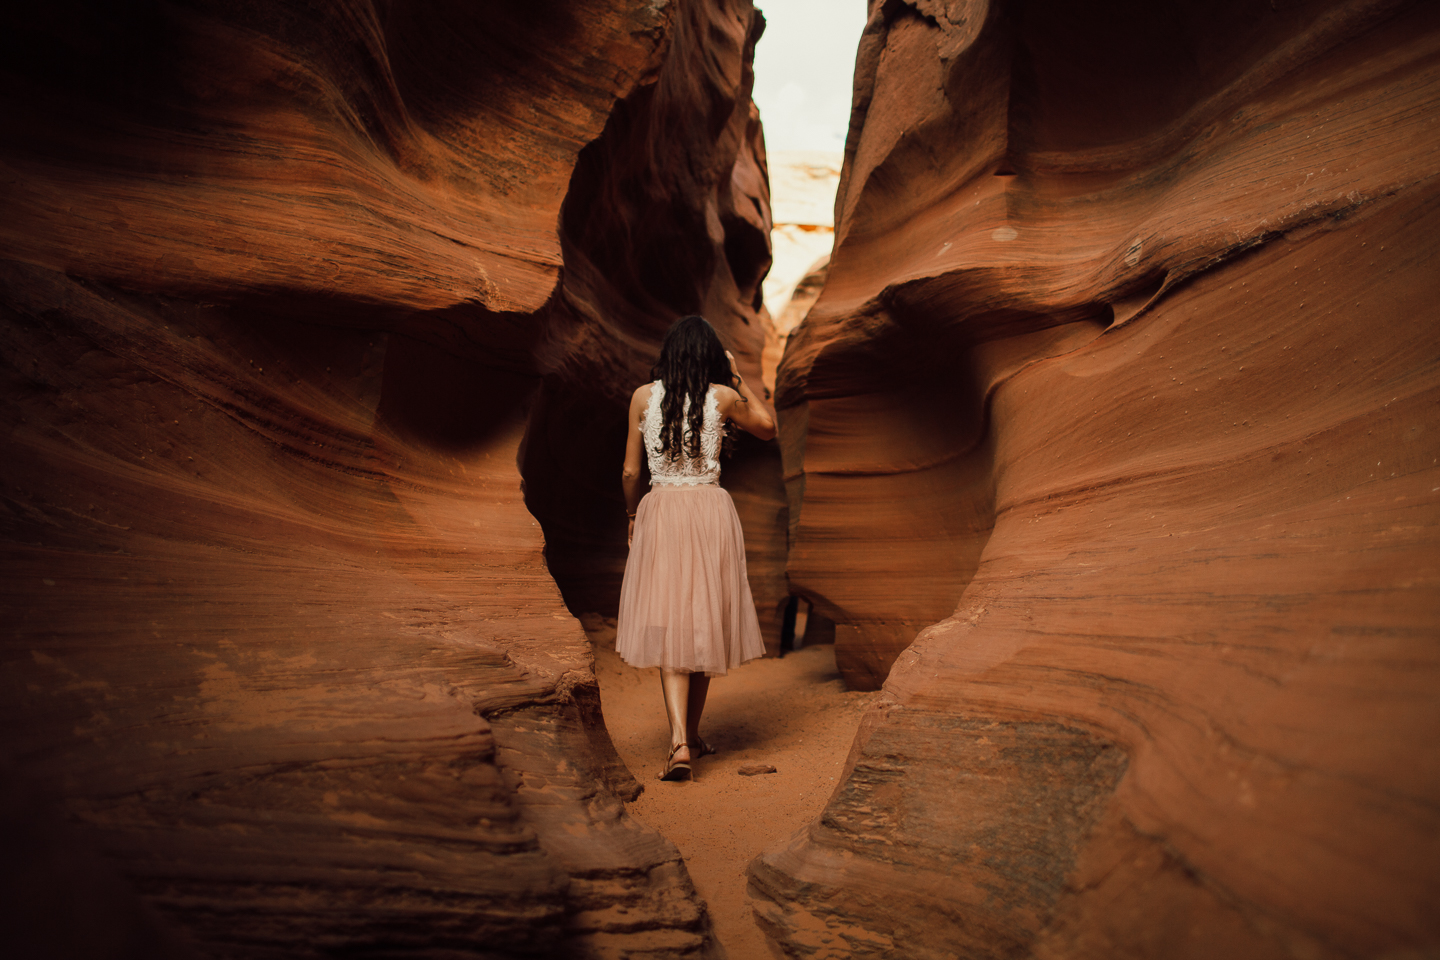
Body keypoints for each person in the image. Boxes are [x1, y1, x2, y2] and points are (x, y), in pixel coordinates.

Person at [616, 315, 776, 781]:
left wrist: (631, 515)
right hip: (709, 511)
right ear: (711, 357)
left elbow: (630, 473)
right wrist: (738, 374)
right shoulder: (724, 397)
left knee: (670, 621)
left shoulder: (643, 397)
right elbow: (767, 427)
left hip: (661, 509)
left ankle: (680, 741)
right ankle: (691, 737)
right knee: (704, 619)